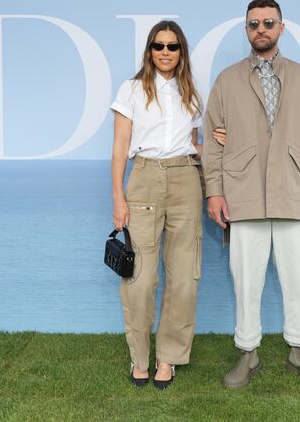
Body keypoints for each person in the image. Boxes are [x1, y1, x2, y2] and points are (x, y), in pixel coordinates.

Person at [203, 0, 300, 389]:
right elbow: (212, 139)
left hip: (294, 192)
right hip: (243, 194)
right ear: (246, 30)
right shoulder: (226, 79)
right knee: (246, 281)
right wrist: (214, 191)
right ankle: (248, 353)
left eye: (268, 23)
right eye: (254, 23)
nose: (261, 29)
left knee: (298, 278)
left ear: (281, 27)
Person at [110, 20, 204, 390]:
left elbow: (193, 145)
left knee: (184, 276)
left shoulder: (191, 93)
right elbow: (120, 148)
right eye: (158, 46)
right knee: (141, 277)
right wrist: (118, 197)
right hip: (144, 179)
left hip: (186, 179)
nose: (165, 52)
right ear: (149, 51)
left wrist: (219, 141)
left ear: (182, 52)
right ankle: (139, 357)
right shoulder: (131, 90)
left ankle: (168, 358)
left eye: (173, 46)